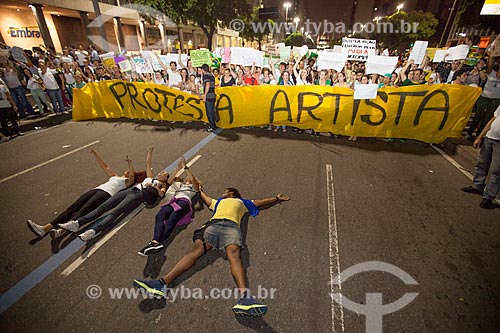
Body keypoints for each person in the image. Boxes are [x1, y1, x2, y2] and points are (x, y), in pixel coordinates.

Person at [133, 187, 290, 317]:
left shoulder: (242, 202)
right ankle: (161, 285)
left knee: (234, 256)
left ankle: (245, 299)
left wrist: (276, 198)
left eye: (225, 191)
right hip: (213, 225)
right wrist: (198, 189)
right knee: (194, 252)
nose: (222, 192)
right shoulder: (218, 202)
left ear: (233, 193)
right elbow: (206, 198)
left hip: (231, 227)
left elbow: (260, 202)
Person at [59, 147, 174, 241]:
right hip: (131, 190)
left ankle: (93, 231)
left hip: (139, 195)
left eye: (164, 174)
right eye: (162, 172)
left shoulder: (161, 185)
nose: (162, 173)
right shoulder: (150, 177)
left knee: (115, 212)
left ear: (166, 178)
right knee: (103, 207)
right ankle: (77, 224)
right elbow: (148, 164)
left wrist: (153, 186)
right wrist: (150, 152)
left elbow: (161, 195)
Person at [27, 149, 137, 239]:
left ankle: (61, 231)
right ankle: (45, 228)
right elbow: (105, 167)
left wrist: (130, 164)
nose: (127, 171)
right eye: (127, 170)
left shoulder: (127, 182)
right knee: (72, 208)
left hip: (106, 194)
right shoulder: (115, 176)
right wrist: (96, 154)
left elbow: (132, 177)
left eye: (129, 171)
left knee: (83, 210)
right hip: (96, 189)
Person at [138, 157, 200, 256]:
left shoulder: (195, 188)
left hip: (184, 202)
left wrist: (185, 167)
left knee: (171, 220)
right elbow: (170, 180)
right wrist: (177, 168)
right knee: (159, 216)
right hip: (173, 201)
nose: (190, 178)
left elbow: (193, 179)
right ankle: (155, 242)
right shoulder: (180, 184)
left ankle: (155, 242)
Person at [461, 104, 500, 209]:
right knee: (481, 163)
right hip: (489, 137)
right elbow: (492, 119)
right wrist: (480, 136)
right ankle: (477, 186)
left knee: (496, 171)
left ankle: (489, 197)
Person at [201, 64, 217, 132]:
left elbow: (207, 85)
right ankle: (213, 125)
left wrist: (205, 95)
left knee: (209, 112)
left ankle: (212, 126)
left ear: (202, 70)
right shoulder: (212, 75)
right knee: (212, 111)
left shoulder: (206, 75)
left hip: (209, 96)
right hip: (213, 95)